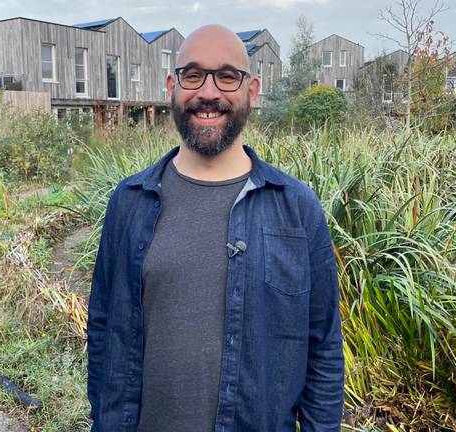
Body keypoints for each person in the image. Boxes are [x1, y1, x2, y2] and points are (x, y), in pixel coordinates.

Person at [87, 24, 344, 432]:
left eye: (227, 76)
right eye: (193, 75)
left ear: (252, 91)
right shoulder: (128, 203)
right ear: (171, 86)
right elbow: (103, 328)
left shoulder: (297, 209)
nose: (208, 92)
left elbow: (324, 347)